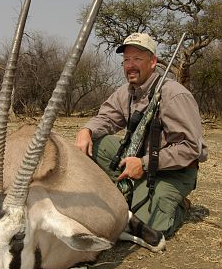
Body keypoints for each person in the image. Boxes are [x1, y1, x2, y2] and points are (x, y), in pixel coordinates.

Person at [75, 33, 208, 238]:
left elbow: (191, 149)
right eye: (126, 60)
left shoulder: (174, 94)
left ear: (153, 62)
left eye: (137, 59)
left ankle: (179, 207)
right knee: (95, 143)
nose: (130, 65)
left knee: (148, 228)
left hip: (173, 171)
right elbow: (106, 119)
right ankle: (127, 193)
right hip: (136, 160)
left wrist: (144, 163)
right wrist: (86, 131)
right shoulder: (125, 92)